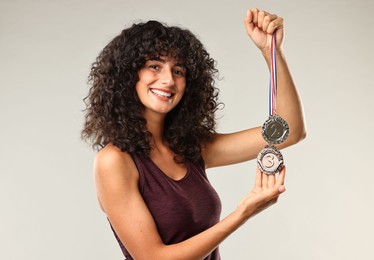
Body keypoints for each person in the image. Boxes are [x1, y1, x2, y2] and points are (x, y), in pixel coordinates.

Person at [82, 7, 306, 260]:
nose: (168, 80)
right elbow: (154, 258)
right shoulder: (115, 161)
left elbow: (289, 130)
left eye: (178, 71)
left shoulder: (190, 148)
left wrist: (271, 51)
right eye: (154, 66)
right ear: (127, 75)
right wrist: (242, 213)